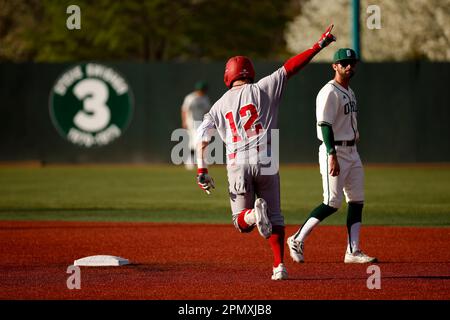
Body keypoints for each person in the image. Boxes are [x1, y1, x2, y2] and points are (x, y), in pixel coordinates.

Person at [195, 25, 336, 280]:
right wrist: (318, 46)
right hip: (266, 158)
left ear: (228, 76)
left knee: (241, 221)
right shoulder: (264, 87)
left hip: (237, 162)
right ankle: (279, 266)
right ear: (250, 73)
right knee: (275, 216)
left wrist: (202, 171)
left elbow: (201, 139)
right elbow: (292, 67)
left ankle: (252, 214)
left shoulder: (217, 105)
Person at [287, 48, 377, 264]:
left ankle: (352, 251)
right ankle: (297, 238)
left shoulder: (349, 91)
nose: (348, 66)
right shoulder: (329, 92)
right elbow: (325, 125)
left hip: (352, 151)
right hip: (334, 150)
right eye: (344, 62)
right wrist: (331, 154)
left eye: (351, 63)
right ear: (334, 66)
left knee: (357, 201)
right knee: (332, 202)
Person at [181, 81, 211, 170]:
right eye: (201, 90)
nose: (202, 92)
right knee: (195, 142)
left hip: (201, 123)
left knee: (198, 142)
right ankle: (191, 161)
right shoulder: (190, 98)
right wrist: (184, 121)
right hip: (191, 122)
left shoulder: (205, 98)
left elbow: (207, 110)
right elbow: (184, 110)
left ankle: (196, 161)